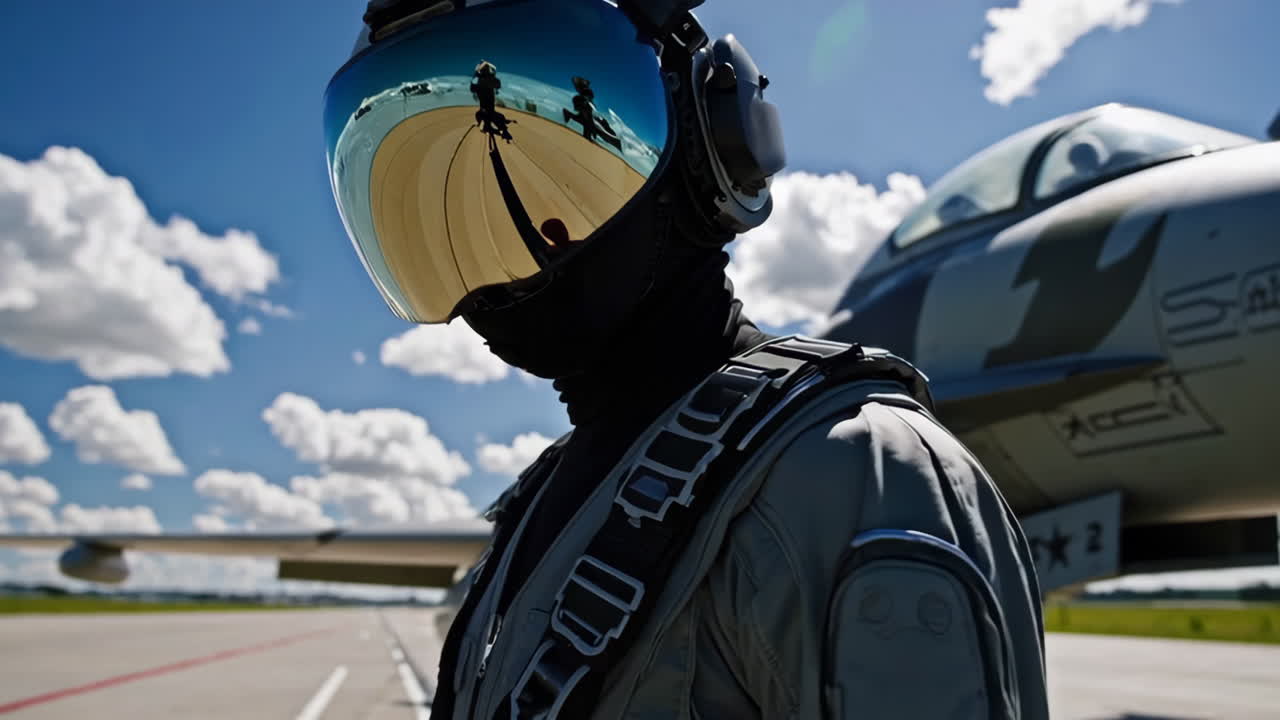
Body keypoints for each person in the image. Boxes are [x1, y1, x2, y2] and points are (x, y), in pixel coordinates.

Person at [325, 1, 1050, 718]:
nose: (494, 275)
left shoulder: (859, 476)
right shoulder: (545, 503)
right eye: (435, 225)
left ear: (710, 139)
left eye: (565, 171)